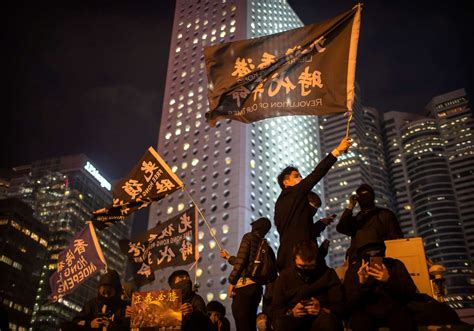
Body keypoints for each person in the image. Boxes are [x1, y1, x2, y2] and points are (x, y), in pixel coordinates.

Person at [274, 136, 351, 270]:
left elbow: (302, 230)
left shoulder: (286, 203)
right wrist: (337, 150)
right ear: (286, 183)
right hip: (300, 257)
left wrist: (322, 223)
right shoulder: (294, 192)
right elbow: (316, 174)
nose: (301, 178)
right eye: (296, 176)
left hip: (288, 257)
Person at [343, 239, 418, 331]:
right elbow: (349, 302)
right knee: (360, 321)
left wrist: (389, 280)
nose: (372, 256)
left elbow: (410, 292)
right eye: (368, 253)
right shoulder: (354, 270)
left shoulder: (394, 264)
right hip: (364, 311)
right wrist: (362, 284)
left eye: (377, 252)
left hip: (394, 308)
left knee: (402, 318)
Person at [272, 241, 344, 331]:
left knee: (329, 321)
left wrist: (322, 310)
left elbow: (340, 306)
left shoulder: (327, 274)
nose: (305, 270)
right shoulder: (284, 277)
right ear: (294, 260)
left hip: (321, 318)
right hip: (294, 319)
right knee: (281, 323)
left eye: (310, 267)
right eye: (302, 266)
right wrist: (292, 312)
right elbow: (276, 310)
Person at [336, 183, 403, 262]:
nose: (364, 198)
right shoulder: (357, 219)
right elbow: (341, 227)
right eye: (361, 196)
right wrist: (350, 206)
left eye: (366, 195)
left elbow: (396, 239)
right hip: (358, 261)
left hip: (381, 258)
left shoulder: (385, 214)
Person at [227, 217, 273, 331]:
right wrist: (228, 257)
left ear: (256, 226)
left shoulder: (248, 237)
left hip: (244, 288)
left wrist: (232, 282)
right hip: (257, 289)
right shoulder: (265, 245)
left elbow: (241, 262)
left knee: (242, 325)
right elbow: (248, 262)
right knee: (250, 324)